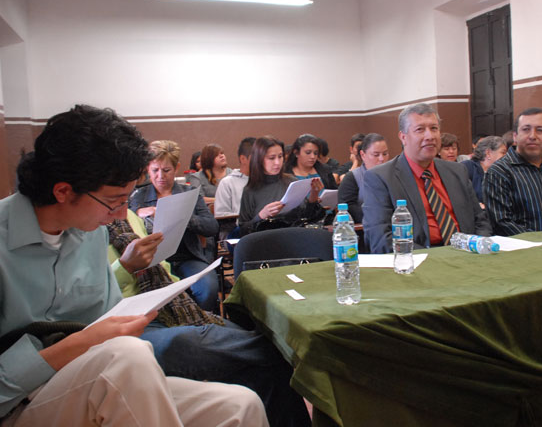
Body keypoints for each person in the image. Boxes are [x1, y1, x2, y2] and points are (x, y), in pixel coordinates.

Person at [0, 105, 267, 426]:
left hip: (91, 377)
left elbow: (109, 323)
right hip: (19, 402)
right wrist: (81, 343)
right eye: (114, 201)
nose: (120, 214)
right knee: (127, 357)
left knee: (240, 405)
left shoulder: (90, 233)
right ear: (63, 191)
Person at [107, 210, 312, 427]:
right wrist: (126, 266)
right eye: (115, 199)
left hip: (167, 308)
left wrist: (176, 292)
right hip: (126, 327)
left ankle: (285, 357)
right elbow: (92, 303)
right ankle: (291, 352)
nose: (121, 207)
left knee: (262, 364)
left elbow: (165, 266)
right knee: (215, 343)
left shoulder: (128, 216)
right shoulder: (89, 231)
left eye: (124, 199)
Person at [362, 103, 492, 253]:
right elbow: (381, 239)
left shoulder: (457, 171)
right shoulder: (381, 178)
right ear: (403, 137)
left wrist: (479, 247)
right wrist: (437, 258)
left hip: (468, 254)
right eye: (420, 130)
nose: (430, 136)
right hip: (421, 258)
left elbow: (480, 221)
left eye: (434, 128)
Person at [129, 140, 220, 311]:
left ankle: (203, 322)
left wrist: (183, 217)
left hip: (187, 257)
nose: (160, 176)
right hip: (153, 262)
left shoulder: (189, 193)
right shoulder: (138, 197)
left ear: (176, 168)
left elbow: (211, 227)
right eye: (155, 170)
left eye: (166, 170)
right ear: (148, 169)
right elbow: (126, 228)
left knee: (208, 288)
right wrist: (138, 213)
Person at [484, 108, 542, 236]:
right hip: (524, 247)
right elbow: (502, 223)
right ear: (515, 136)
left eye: (540, 130)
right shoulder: (499, 173)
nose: (532, 136)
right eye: (526, 129)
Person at [238, 136, 325, 236]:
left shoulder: (291, 181)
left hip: (294, 236)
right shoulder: (250, 190)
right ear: (259, 159)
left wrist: (314, 193)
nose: (277, 162)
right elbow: (243, 231)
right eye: (271, 158)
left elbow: (307, 217)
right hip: (266, 240)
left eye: (280, 156)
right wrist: (261, 215)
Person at [338, 133, 390, 223]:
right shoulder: (352, 177)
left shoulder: (393, 175)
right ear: (363, 155)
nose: (382, 159)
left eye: (385, 154)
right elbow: (348, 209)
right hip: (364, 226)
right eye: (376, 155)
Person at [215, 137, 256, 218]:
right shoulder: (227, 183)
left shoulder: (266, 179)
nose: (262, 161)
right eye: (257, 157)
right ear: (243, 159)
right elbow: (221, 216)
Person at [461, 136, 507, 205]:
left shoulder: (502, 172)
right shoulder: (467, 166)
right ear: (488, 153)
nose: (506, 156)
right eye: (503, 152)